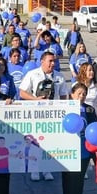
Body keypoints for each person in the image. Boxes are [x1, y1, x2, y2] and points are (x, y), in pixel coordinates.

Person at [18, 51, 70, 180]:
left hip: (54, 116)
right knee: (36, 143)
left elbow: (63, 95)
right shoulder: (32, 74)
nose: (53, 63)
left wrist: (63, 109)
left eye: (54, 61)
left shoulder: (59, 76)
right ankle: (34, 170)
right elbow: (22, 93)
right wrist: (36, 100)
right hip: (37, 115)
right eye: (50, 61)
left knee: (50, 144)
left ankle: (47, 170)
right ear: (42, 61)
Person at [59, 82, 96, 194]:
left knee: (79, 178)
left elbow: (94, 128)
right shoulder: (64, 108)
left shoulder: (89, 110)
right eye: (79, 93)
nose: (81, 96)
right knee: (67, 177)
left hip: (84, 150)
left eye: (84, 94)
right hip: (67, 149)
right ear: (72, 94)